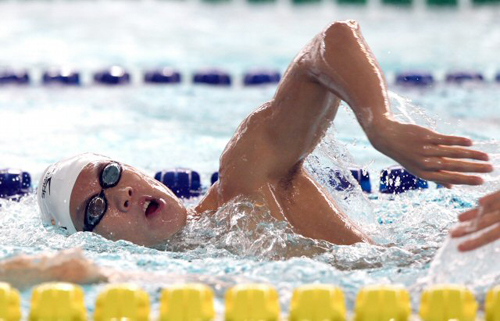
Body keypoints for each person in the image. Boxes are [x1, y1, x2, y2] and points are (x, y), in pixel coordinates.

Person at [37, 20, 493, 249]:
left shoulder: (244, 179)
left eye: (111, 173)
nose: (119, 195)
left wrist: (379, 124)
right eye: (94, 208)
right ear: (94, 242)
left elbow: (331, 41)